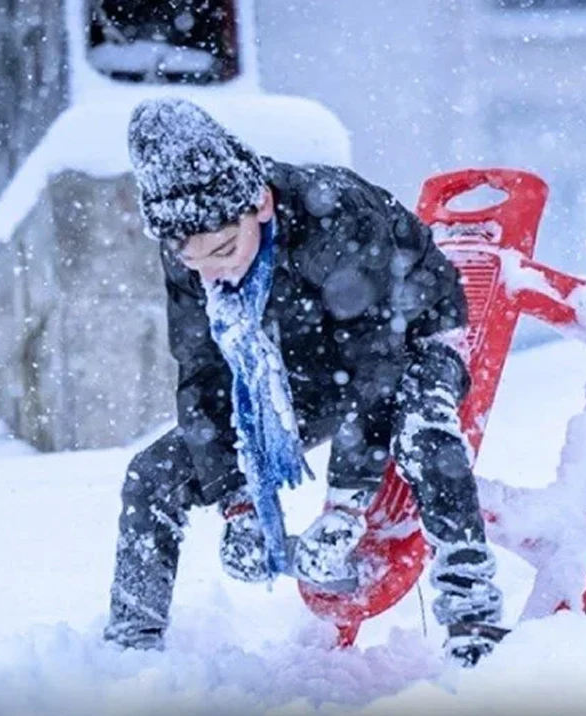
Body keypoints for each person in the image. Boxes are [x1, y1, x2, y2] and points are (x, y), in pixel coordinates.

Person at [103, 97, 505, 666]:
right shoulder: (192, 243)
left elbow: (375, 365)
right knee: (152, 474)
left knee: (422, 431)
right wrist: (236, 502)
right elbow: (203, 372)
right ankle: (128, 655)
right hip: (301, 359)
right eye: (196, 263)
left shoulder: (335, 215)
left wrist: (345, 506)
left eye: (224, 250)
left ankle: (475, 624)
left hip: (410, 333)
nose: (217, 274)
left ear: (261, 205)